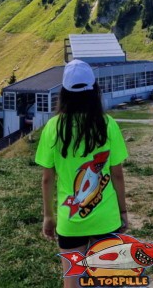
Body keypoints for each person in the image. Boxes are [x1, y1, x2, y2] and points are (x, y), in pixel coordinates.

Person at [36, 59, 129, 287]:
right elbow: (117, 175)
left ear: (64, 93)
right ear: (94, 90)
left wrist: (48, 216)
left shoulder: (53, 127)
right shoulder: (108, 124)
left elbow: (47, 179)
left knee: (73, 281)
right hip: (106, 219)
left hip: (70, 220)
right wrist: (123, 211)